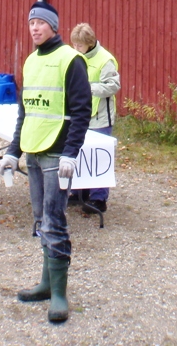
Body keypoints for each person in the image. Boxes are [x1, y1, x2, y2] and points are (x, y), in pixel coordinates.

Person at [0, 2, 92, 323]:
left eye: (40, 23)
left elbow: (81, 111)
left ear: (53, 26)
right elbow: (26, 111)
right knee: (41, 220)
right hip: (34, 151)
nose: (34, 28)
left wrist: (71, 152)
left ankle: (60, 294)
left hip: (56, 152)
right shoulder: (30, 60)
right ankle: (45, 284)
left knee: (55, 220)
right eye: (30, 23)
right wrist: (13, 151)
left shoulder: (71, 59)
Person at [69, 23, 119, 212]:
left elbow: (113, 86)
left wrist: (89, 88)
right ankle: (79, 192)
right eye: (74, 45)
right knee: (79, 153)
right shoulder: (76, 57)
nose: (76, 48)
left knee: (99, 156)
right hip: (80, 115)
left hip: (100, 117)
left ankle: (99, 198)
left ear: (89, 44)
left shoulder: (106, 60)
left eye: (79, 45)